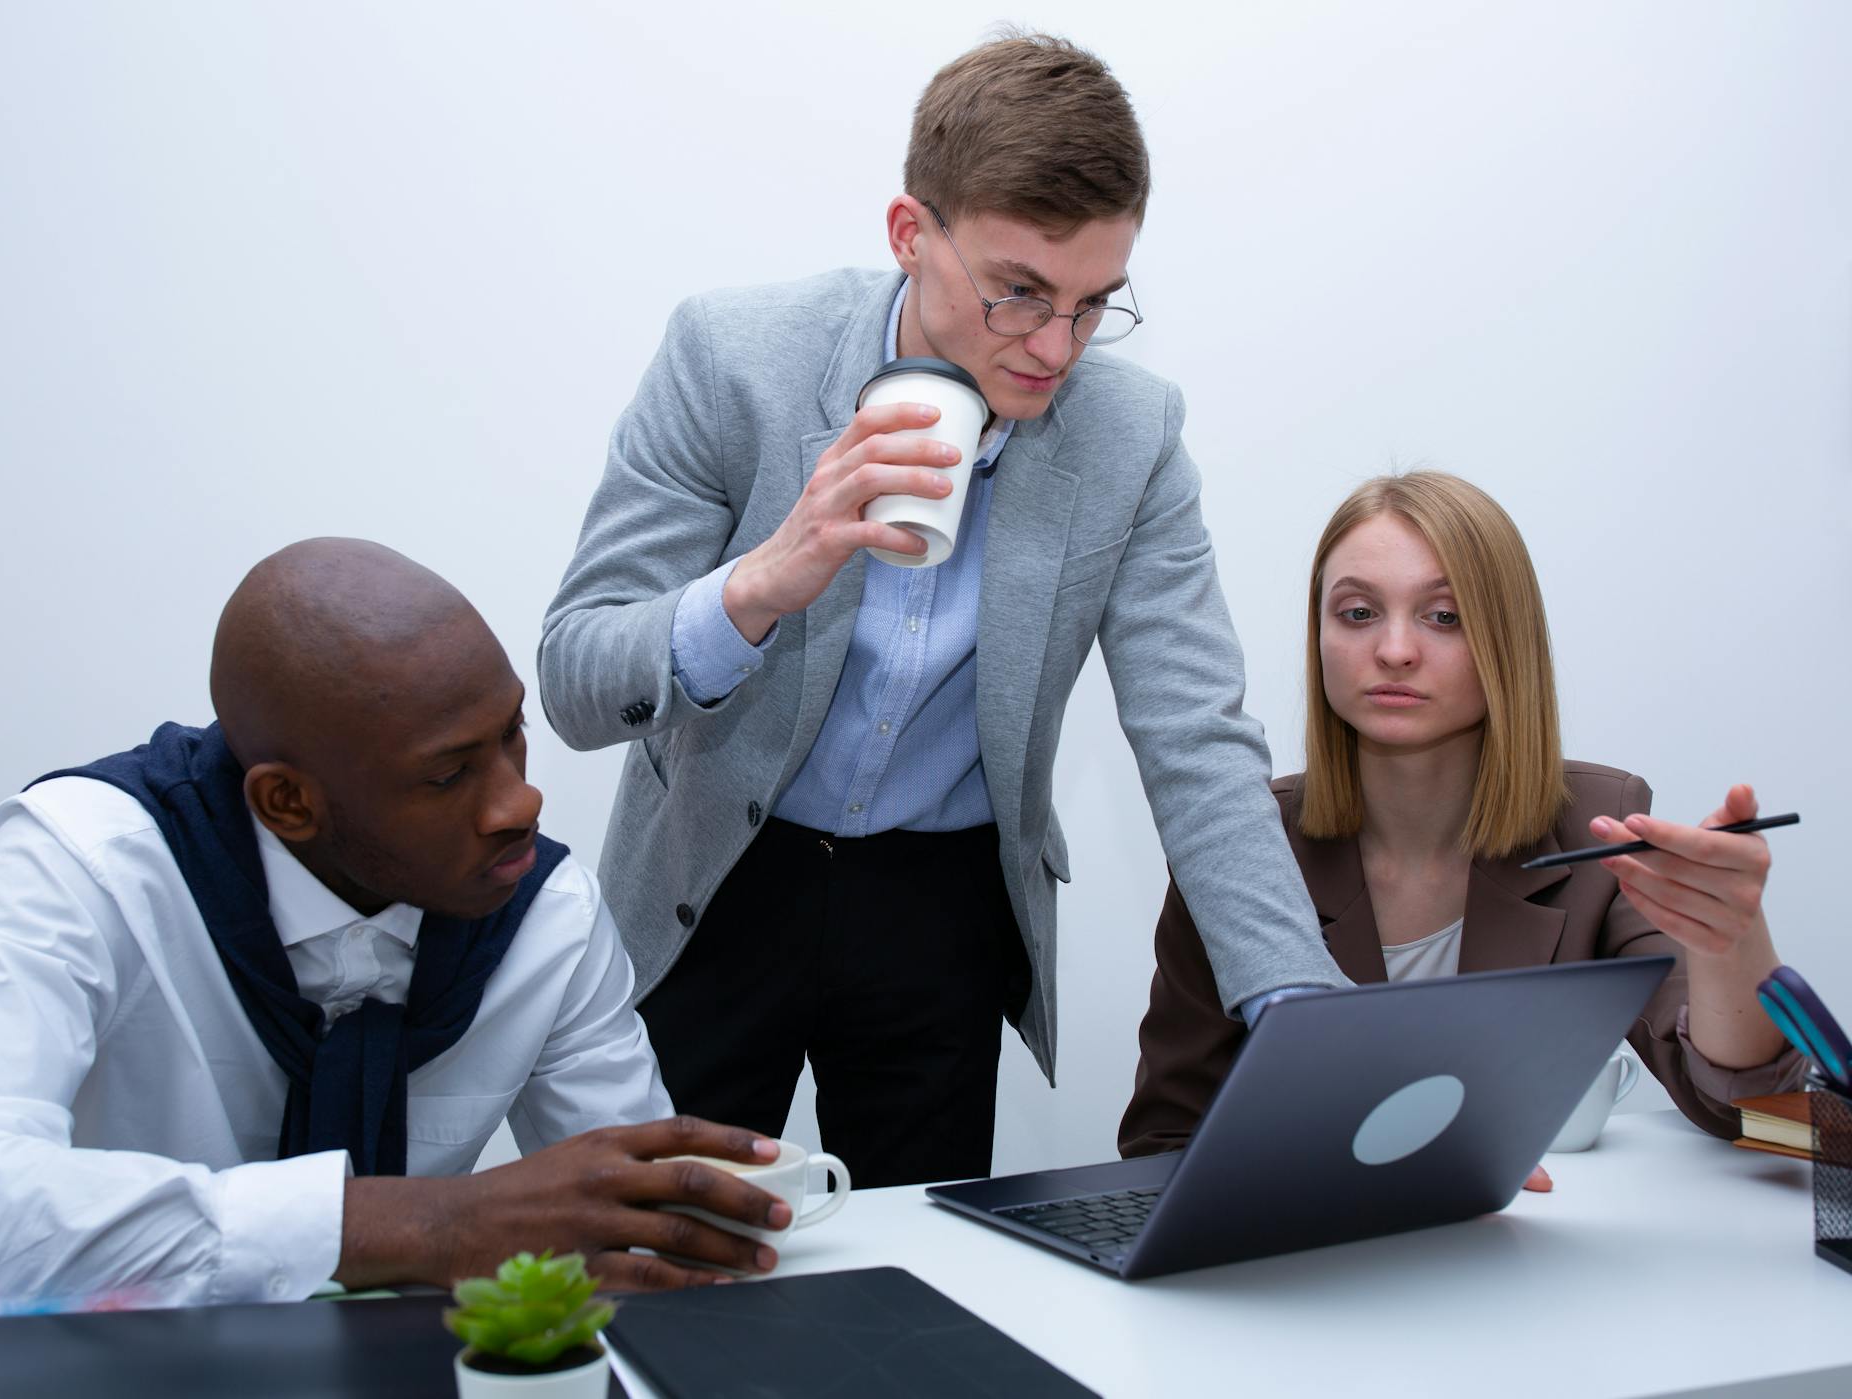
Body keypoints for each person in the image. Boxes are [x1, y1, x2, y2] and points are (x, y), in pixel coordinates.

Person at [540, 31, 1346, 1189]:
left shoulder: (1131, 435)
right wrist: (765, 579)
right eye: (1018, 294)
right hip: (716, 874)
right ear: (910, 235)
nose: (1053, 349)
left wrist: (1302, 1020)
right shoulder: (732, 360)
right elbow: (575, 674)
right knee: (669, 1256)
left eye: (1091, 304)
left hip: (939, 904)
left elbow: (1197, 740)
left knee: (918, 1307)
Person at [0, 539, 792, 1323]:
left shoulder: (545, 910)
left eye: (513, 734)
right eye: (450, 773)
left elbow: (631, 1234)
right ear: (287, 803)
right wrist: (418, 1225)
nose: (521, 801)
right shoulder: (91, 866)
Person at [1118, 472, 1804, 1176]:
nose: (1394, 650)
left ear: (1507, 642)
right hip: (1303, 1264)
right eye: (1357, 613)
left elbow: (1738, 1106)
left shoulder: (1594, 826)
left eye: (1443, 616)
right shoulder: (1240, 841)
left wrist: (1732, 942)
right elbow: (1163, 1144)